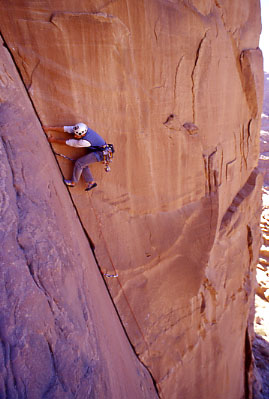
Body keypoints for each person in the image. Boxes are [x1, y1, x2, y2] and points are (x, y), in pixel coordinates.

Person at [43, 122, 106, 191]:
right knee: (83, 164)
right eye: (75, 134)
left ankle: (73, 182)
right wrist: (48, 128)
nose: (75, 136)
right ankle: (91, 182)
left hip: (101, 153)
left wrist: (53, 140)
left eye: (77, 136)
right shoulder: (80, 128)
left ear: (83, 134)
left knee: (79, 163)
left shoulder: (85, 141)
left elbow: (69, 142)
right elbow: (65, 129)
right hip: (100, 150)